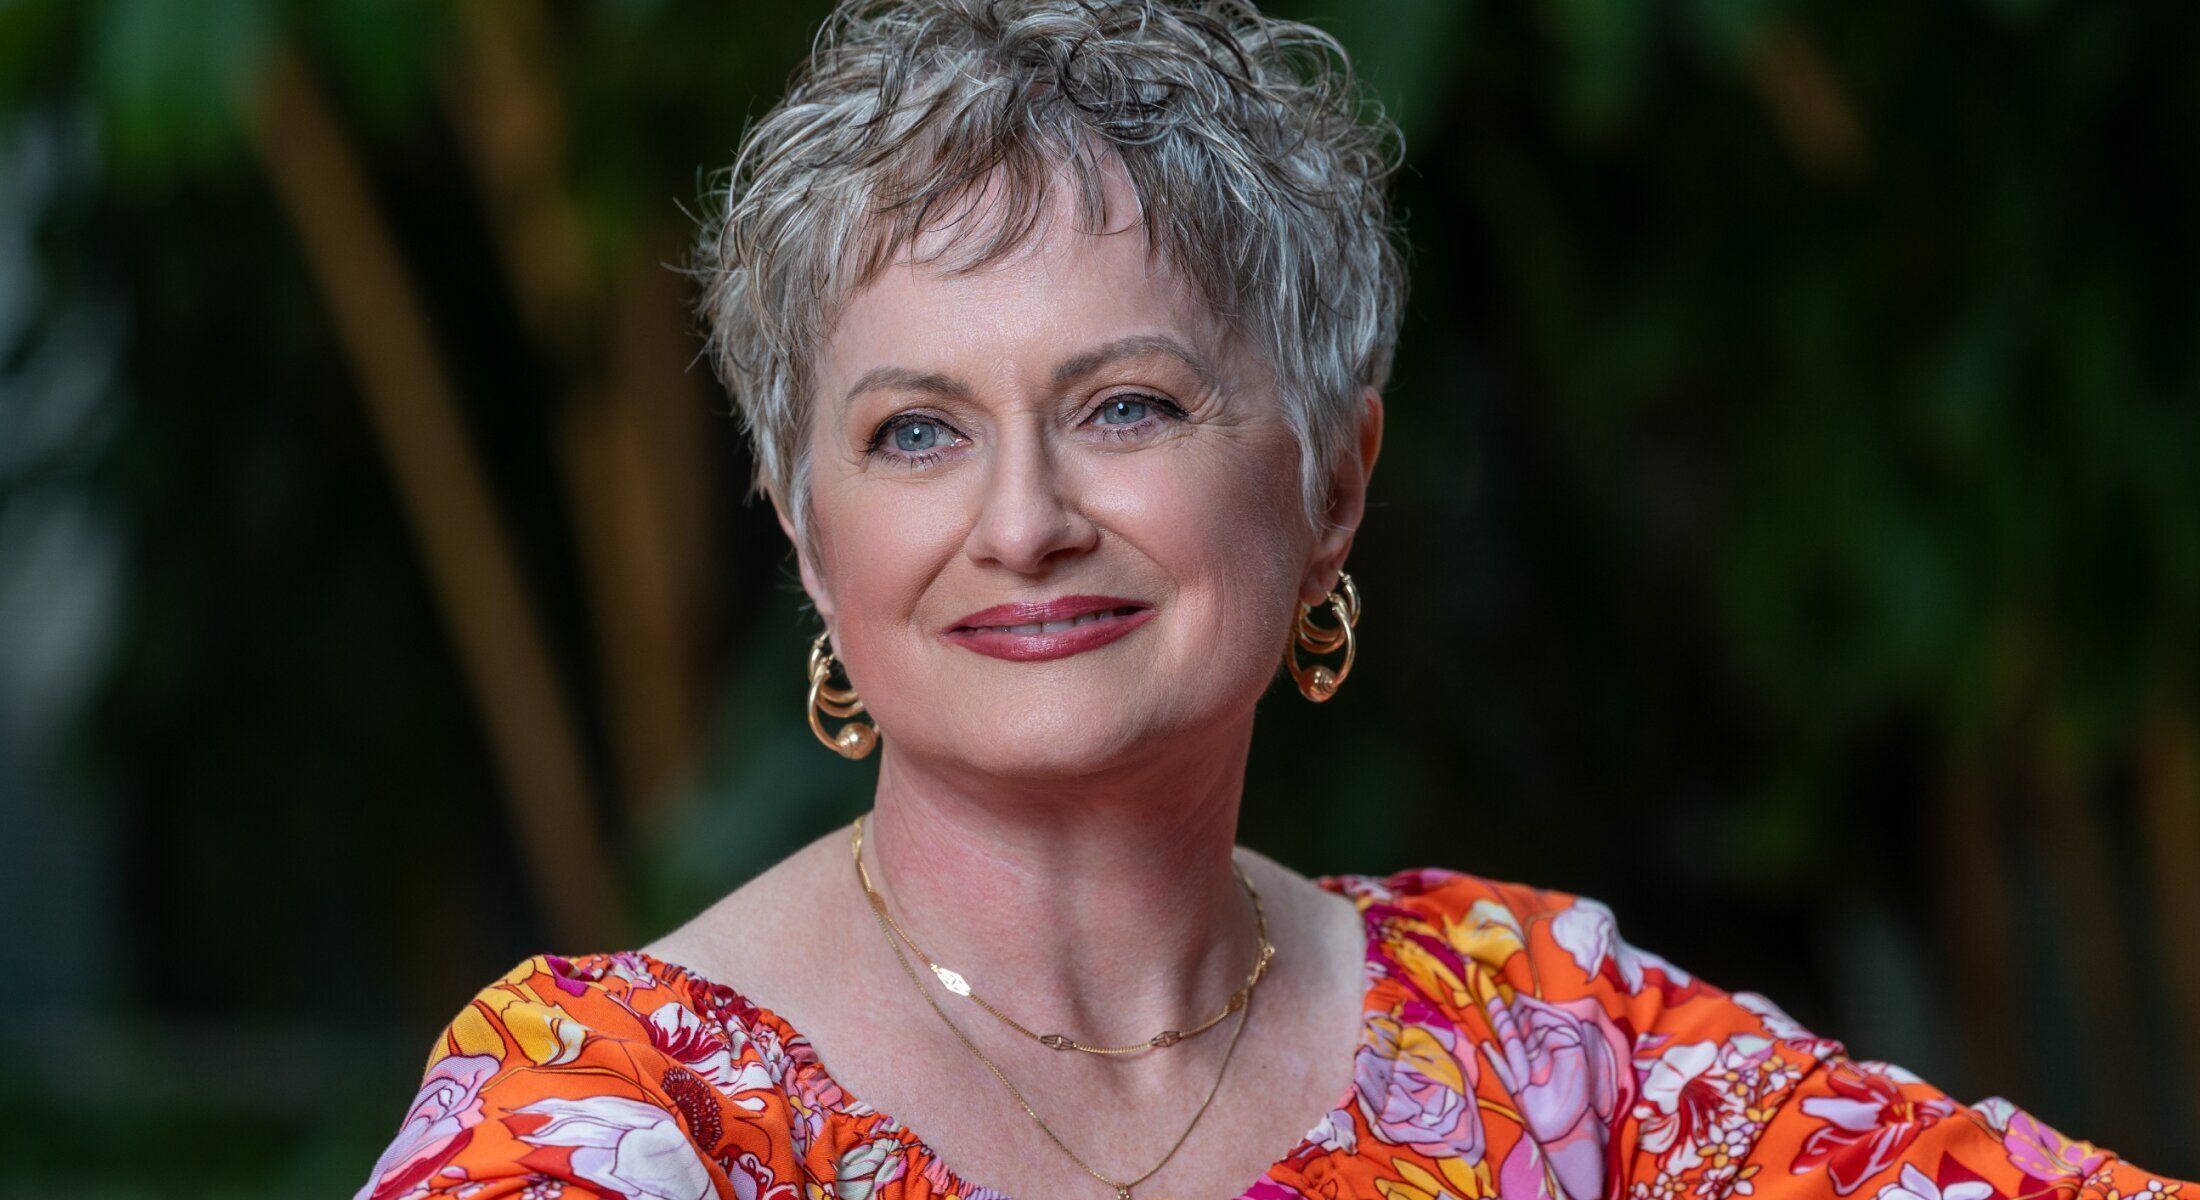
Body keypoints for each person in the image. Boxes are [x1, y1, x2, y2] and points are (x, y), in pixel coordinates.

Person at [354, 2, 2194, 1198]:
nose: (1025, 520)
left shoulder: (1553, 1050)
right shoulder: (608, 1114)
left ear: (1332, 477)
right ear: (807, 533)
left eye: (1126, 407)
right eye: (917, 434)